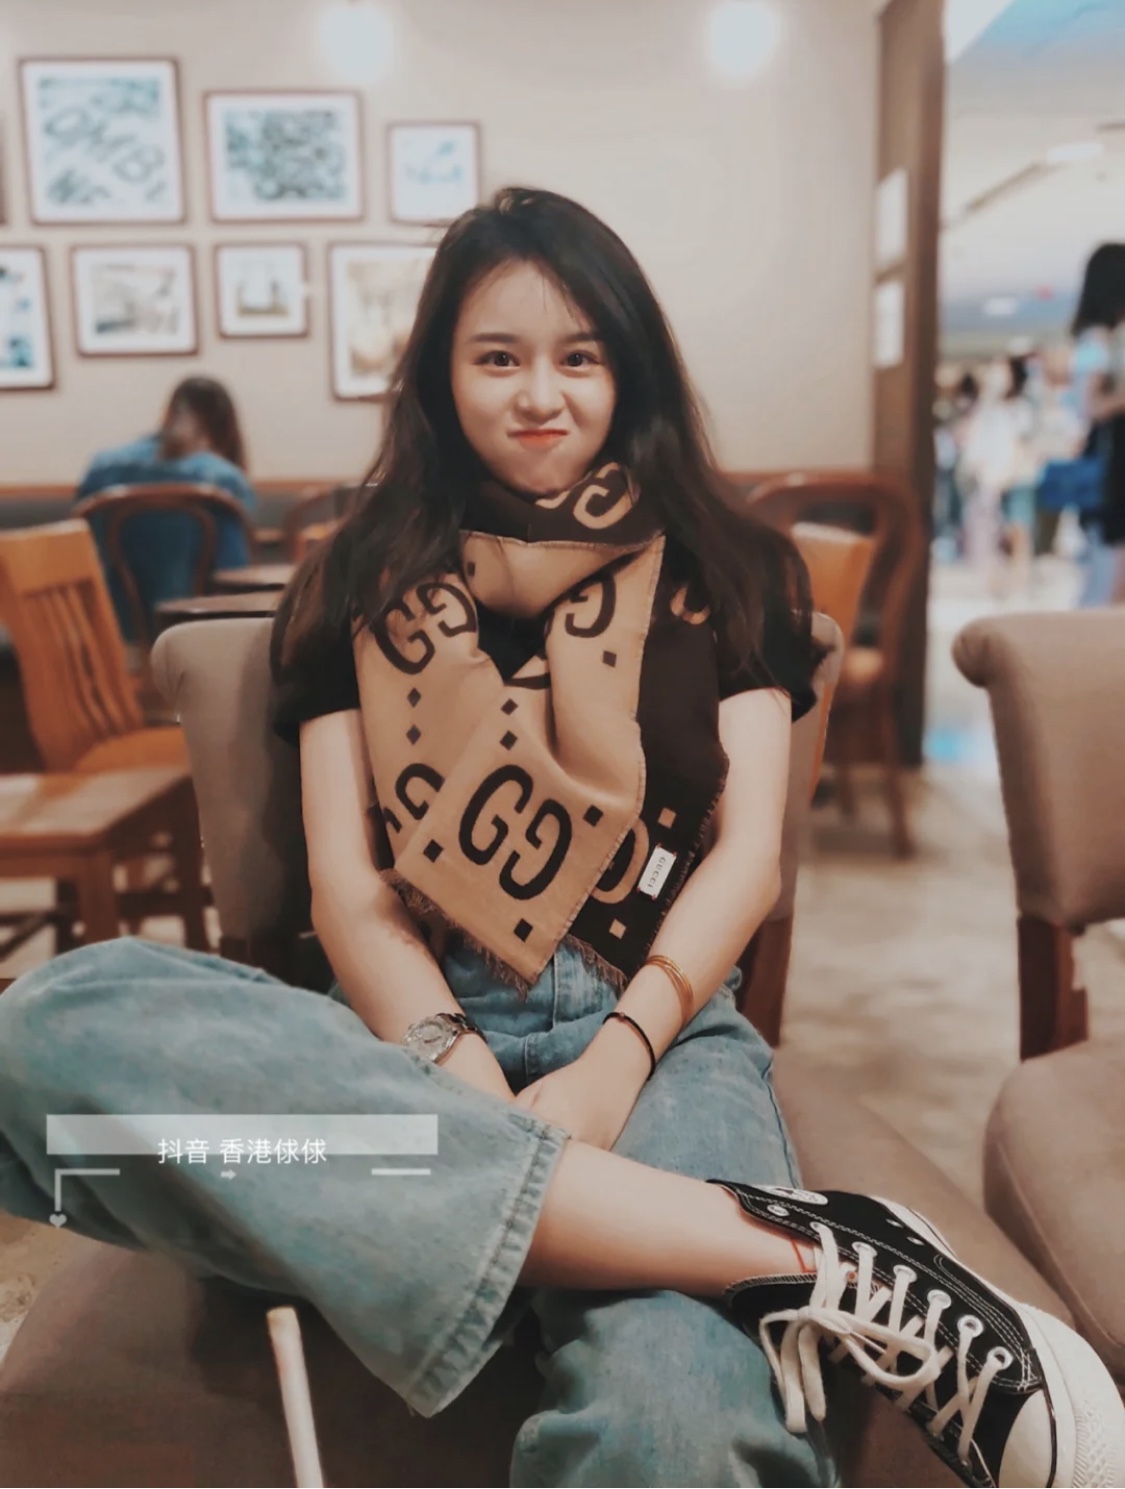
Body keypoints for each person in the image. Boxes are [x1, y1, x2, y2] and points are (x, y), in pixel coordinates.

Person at [0, 188, 1120, 1489]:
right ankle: (812, 1255)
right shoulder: (358, 575)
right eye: (498, 358)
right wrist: (459, 1075)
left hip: (657, 1031)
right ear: (441, 375)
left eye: (579, 356)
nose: (541, 395)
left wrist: (611, 1064)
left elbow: (744, 858)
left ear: (626, 368)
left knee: (674, 1427)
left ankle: (616, 1227)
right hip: (399, 1045)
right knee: (42, 1032)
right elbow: (350, 890)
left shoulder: (728, 566)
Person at [75, 376, 257, 639]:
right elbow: (235, 578)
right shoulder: (223, 481)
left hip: (112, 637)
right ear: (226, 428)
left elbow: (82, 553)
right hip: (194, 638)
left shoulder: (102, 468)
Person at [1069, 243, 1125, 606]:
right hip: (1113, 470)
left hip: (1112, 467)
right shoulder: (1097, 339)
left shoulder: (1103, 337)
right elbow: (1088, 405)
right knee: (1110, 585)